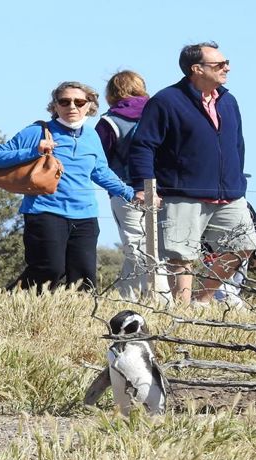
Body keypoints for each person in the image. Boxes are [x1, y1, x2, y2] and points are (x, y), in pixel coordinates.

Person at [128, 41, 256, 306]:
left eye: (227, 63)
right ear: (196, 69)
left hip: (230, 193)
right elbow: (143, 145)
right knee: (181, 255)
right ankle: (183, 310)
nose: (227, 68)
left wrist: (238, 181)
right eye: (220, 64)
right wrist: (143, 187)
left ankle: (201, 300)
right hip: (182, 192)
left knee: (244, 246)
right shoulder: (166, 101)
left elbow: (238, 144)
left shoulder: (228, 100)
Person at [0, 81, 145, 293]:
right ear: (55, 106)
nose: (72, 106)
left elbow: (100, 172)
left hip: (85, 215)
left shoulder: (91, 136)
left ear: (90, 105)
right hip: (45, 212)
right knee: (49, 270)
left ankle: (77, 321)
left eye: (79, 101)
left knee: (84, 279)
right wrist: (35, 150)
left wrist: (131, 194)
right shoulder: (37, 131)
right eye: (64, 101)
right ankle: (8, 302)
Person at [95, 70, 171, 304]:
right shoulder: (161, 113)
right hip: (165, 189)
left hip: (126, 189)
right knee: (153, 245)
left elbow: (99, 159)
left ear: (112, 93)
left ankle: (161, 300)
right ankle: (126, 296)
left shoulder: (109, 122)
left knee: (137, 245)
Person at [211, 202, 256, 308]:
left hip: (240, 251)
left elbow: (255, 226)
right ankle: (236, 313)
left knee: (235, 288)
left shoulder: (240, 201)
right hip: (213, 252)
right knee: (225, 293)